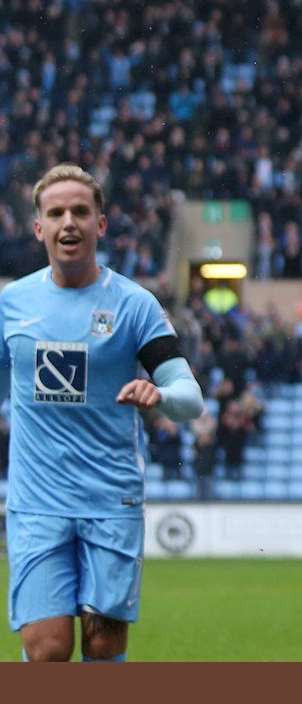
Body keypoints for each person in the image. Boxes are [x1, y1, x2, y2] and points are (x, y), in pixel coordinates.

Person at [0, 164, 203, 662]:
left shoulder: (134, 305)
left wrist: (161, 397)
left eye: (81, 212)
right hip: (36, 502)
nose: (69, 222)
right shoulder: (12, 303)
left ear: (101, 225)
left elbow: (189, 395)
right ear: (39, 228)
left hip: (111, 500)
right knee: (47, 648)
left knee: (102, 645)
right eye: (57, 213)